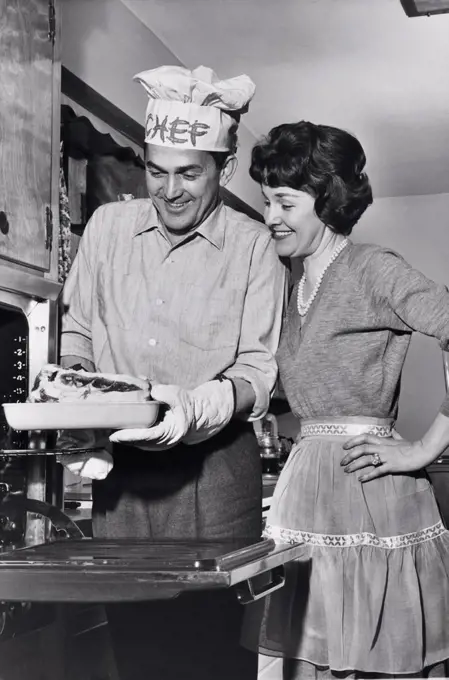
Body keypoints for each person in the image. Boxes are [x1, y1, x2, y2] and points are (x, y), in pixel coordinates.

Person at [59, 64, 287, 680]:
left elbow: (259, 372)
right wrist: (79, 393)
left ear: (224, 169)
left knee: (209, 653)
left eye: (189, 173)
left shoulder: (254, 246)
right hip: (121, 479)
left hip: (214, 477)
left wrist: (199, 407)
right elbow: (77, 331)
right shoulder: (106, 229)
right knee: (136, 649)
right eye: (156, 172)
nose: (170, 190)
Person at [244, 120, 449, 679]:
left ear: (327, 201)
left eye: (284, 202)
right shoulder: (294, 282)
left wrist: (424, 448)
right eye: (266, 202)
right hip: (306, 488)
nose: (270, 218)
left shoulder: (372, 268)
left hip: (369, 494)